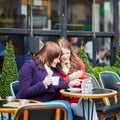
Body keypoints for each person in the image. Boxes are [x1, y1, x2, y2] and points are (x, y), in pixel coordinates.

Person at [56, 38, 98, 120]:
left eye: (67, 53)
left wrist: (85, 82)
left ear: (71, 51)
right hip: (64, 101)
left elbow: (83, 80)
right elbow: (56, 85)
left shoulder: (77, 61)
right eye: (62, 54)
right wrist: (69, 78)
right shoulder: (55, 64)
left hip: (78, 99)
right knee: (89, 110)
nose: (65, 56)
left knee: (88, 103)